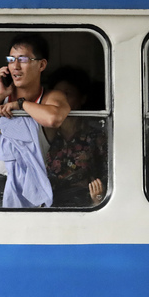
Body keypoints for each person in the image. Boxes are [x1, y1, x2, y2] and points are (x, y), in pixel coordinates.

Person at [0, 33, 70, 208]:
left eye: (22, 60)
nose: (15, 66)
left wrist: (21, 105)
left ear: (41, 64)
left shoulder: (49, 97)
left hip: (26, 192)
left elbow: (53, 119)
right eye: (11, 59)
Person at [44, 66, 107, 207]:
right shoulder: (44, 134)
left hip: (85, 206)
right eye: (57, 94)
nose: (61, 100)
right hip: (48, 207)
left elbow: (106, 175)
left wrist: (97, 199)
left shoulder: (96, 137)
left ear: (82, 98)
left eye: (68, 94)